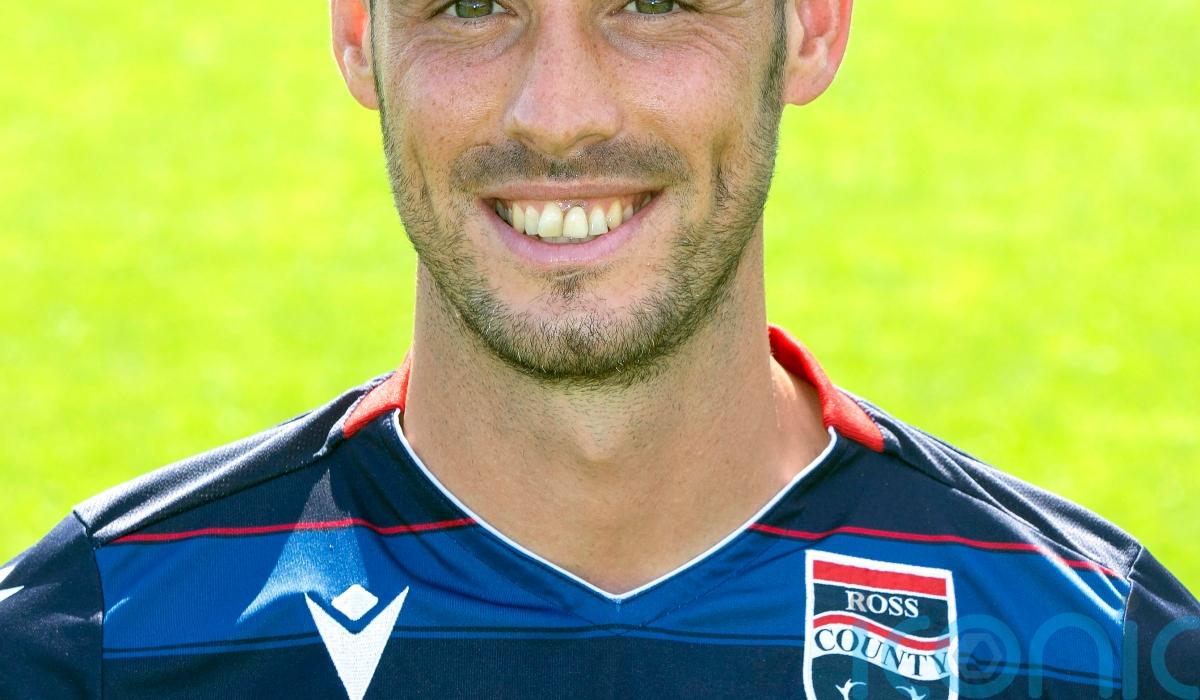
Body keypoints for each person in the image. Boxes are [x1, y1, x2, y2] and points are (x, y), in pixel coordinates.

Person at [1, 0, 1196, 696]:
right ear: (359, 36)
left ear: (811, 25)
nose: (559, 115)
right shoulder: (100, 642)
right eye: (473, 3)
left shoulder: (1096, 650)